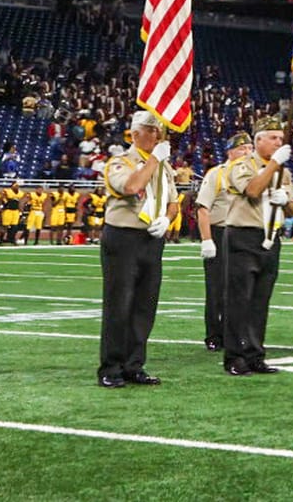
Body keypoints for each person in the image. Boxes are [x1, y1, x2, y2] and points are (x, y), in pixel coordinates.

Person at [97, 111, 174, 388]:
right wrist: (154, 159)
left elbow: (173, 200)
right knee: (120, 304)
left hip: (151, 239)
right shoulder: (121, 162)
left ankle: (134, 364)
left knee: (145, 306)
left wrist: (168, 218)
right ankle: (111, 367)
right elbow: (132, 186)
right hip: (123, 237)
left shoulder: (163, 166)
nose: (157, 135)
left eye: (159, 131)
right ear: (135, 133)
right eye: (152, 130)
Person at [222, 115, 293, 375]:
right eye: (273, 138)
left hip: (271, 237)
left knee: (260, 301)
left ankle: (255, 353)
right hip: (244, 235)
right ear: (259, 140)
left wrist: (285, 198)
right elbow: (252, 190)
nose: (278, 142)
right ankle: (234, 356)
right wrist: (274, 164)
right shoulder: (242, 165)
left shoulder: (283, 171)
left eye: (280, 138)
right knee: (239, 300)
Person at [192, 132, 249, 352]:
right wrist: (207, 240)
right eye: (242, 149)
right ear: (230, 151)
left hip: (242, 233)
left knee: (241, 287)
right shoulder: (218, 174)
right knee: (217, 288)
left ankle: (235, 332)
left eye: (249, 148)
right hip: (220, 232)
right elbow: (203, 209)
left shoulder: (251, 175)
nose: (247, 152)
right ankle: (214, 334)